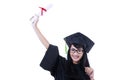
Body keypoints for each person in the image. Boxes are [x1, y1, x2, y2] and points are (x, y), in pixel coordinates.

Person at [30, 14, 95, 80]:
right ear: (69, 50)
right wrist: (34, 27)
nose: (75, 53)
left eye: (79, 50)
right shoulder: (61, 64)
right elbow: (48, 47)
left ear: (83, 53)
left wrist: (91, 77)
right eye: (73, 50)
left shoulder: (86, 72)